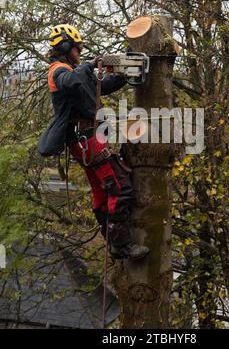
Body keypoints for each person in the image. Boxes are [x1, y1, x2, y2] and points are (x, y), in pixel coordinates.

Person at [38, 24, 149, 260]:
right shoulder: (58, 71)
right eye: (77, 48)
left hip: (89, 138)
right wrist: (90, 65)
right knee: (120, 187)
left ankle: (112, 238)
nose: (79, 53)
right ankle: (121, 244)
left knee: (101, 191)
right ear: (66, 47)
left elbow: (101, 86)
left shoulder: (72, 72)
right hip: (85, 138)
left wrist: (123, 76)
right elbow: (73, 80)